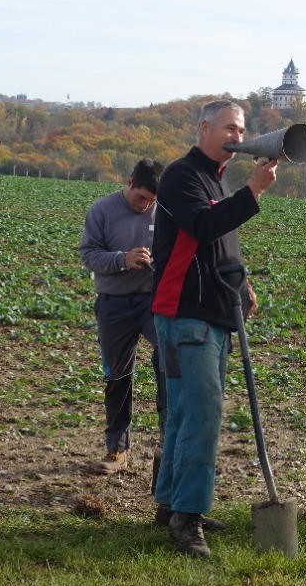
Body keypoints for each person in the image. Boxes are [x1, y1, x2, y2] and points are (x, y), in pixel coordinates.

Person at [151, 99, 279, 557]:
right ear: (204, 128)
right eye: (229, 128)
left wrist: (241, 281)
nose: (238, 138)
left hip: (212, 312)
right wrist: (253, 193)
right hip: (186, 313)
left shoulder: (214, 179)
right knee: (202, 416)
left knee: (186, 414)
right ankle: (188, 519)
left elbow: (216, 243)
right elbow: (203, 226)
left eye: (242, 131)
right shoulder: (181, 175)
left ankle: (170, 504)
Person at [79, 158, 166, 476]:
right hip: (114, 304)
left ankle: (166, 442)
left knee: (169, 361)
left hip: (152, 302)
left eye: (152, 201)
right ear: (129, 183)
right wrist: (122, 259)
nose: (145, 206)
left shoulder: (164, 212)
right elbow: (88, 254)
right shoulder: (102, 210)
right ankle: (117, 449)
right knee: (118, 376)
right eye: (141, 197)